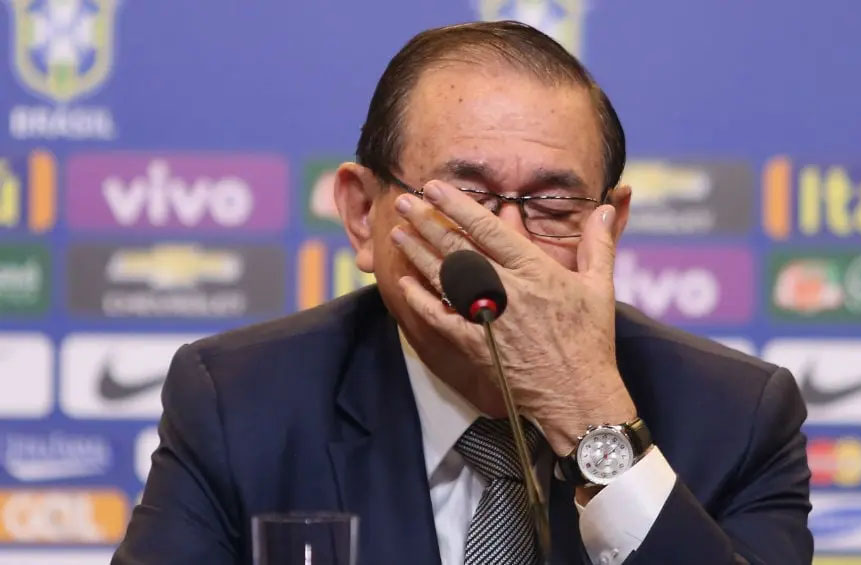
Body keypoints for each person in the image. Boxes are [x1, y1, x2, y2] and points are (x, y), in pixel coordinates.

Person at [113, 21, 812, 565]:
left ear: (612, 224)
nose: (505, 246)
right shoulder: (241, 402)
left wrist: (593, 419)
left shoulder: (736, 417)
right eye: (465, 200)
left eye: (553, 206)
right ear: (361, 214)